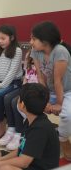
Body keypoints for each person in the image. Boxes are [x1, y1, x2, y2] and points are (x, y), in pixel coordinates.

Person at [0, 83, 60, 170]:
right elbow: (21, 149)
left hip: (34, 166)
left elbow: (24, 162)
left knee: (6, 168)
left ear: (22, 105)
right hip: (26, 160)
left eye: (18, 98)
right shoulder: (30, 120)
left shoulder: (40, 128)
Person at [30, 21, 71, 161]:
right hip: (51, 91)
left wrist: (59, 104)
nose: (31, 42)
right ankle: (42, 140)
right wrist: (45, 100)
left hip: (68, 90)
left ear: (46, 39)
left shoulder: (60, 51)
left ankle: (63, 139)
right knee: (25, 106)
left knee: (67, 115)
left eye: (34, 39)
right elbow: (41, 77)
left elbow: (58, 80)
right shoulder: (35, 51)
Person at [0, 47, 38, 150]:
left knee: (14, 102)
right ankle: (11, 129)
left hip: (36, 93)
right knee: (8, 98)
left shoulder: (42, 65)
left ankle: (19, 133)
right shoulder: (29, 62)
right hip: (27, 89)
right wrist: (23, 92)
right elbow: (25, 79)